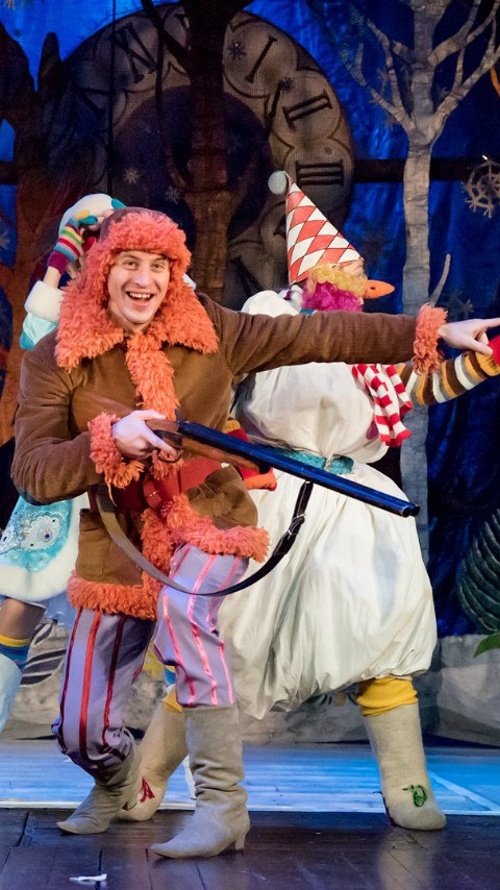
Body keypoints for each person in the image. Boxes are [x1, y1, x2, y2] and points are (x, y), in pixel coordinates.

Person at [10, 204, 500, 859]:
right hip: (120, 545)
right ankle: (116, 778)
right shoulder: (58, 356)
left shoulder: (211, 327)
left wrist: (435, 331)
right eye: (129, 263)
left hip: (208, 518)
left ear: (174, 273)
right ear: (102, 269)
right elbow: (34, 472)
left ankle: (221, 808)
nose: (144, 280)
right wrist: (108, 441)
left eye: (159, 265)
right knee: (81, 728)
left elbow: (325, 336)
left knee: (190, 611)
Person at [0, 194, 125, 734]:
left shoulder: (141, 308)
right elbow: (35, 343)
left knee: (144, 621)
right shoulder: (57, 319)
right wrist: (57, 264)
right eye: (83, 245)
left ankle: (145, 761)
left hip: (122, 485)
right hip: (57, 485)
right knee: (16, 607)